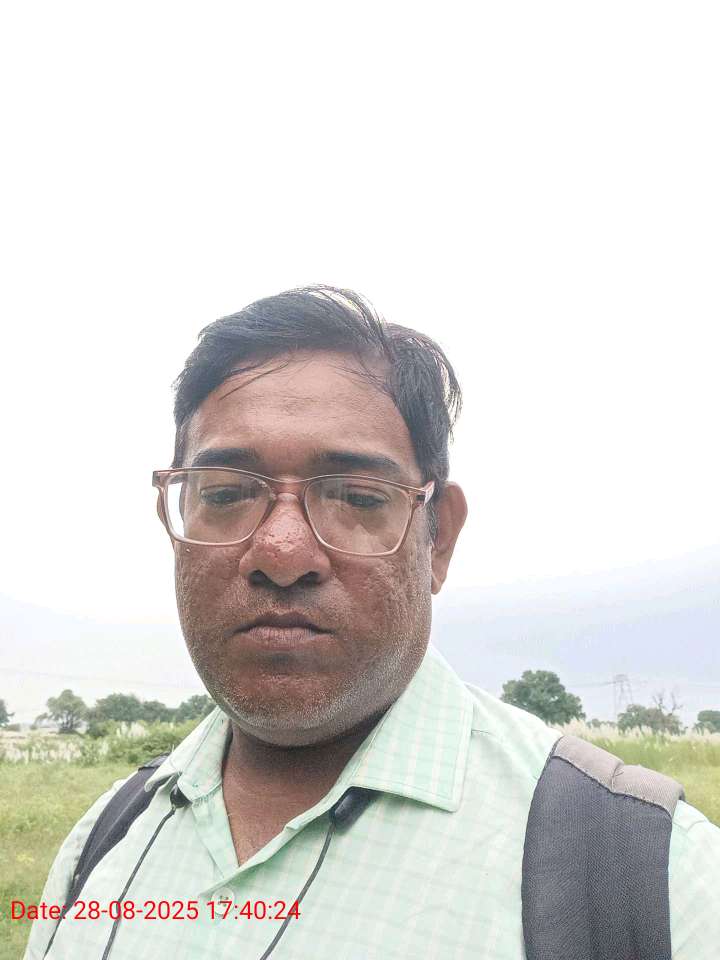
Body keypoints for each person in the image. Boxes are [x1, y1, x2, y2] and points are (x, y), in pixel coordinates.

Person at [25, 286, 720, 959]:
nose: (282, 553)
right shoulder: (105, 841)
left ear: (438, 539)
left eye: (357, 497)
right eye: (227, 493)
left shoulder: (652, 880)